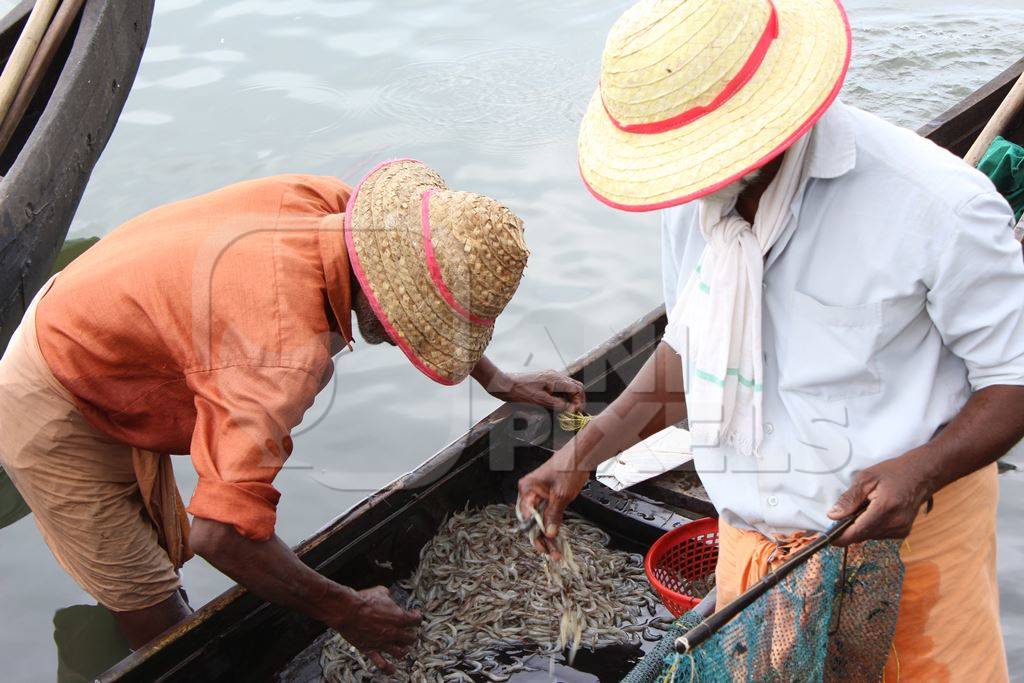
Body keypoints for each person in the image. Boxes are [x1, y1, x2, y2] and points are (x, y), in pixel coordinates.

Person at [518, 0, 1024, 679]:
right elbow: (690, 350)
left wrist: (922, 467)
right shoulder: (692, 206)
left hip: (906, 559)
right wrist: (585, 449)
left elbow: (1013, 378)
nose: (687, 178)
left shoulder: (935, 204)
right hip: (751, 560)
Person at [0, 159, 584, 669]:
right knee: (148, 598)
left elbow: (416, 283)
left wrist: (498, 378)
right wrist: (347, 610)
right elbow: (220, 534)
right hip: (55, 394)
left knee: (168, 546)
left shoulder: (334, 207)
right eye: (420, 332)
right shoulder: (281, 355)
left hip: (106, 309)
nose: (412, 342)